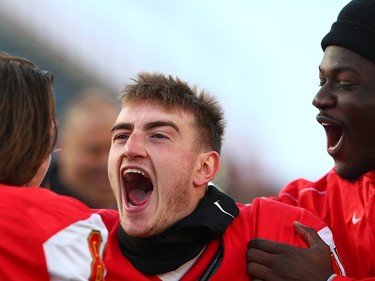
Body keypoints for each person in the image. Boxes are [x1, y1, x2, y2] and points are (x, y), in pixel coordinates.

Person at [97, 72, 344, 280]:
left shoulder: (278, 231)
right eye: (121, 136)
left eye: (158, 135)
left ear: (204, 167)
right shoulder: (82, 239)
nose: (131, 148)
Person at [246, 0, 375, 280]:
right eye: (322, 81)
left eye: (346, 84)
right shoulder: (317, 202)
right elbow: (238, 225)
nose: (319, 99)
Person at [0, 52, 108, 281]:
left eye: (117, 145)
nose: (106, 162)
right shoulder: (57, 226)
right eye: (93, 150)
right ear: (60, 145)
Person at [45, 88, 119, 209]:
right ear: (63, 147)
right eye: (94, 151)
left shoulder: (143, 218)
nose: (107, 162)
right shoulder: (32, 203)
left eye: (114, 149)